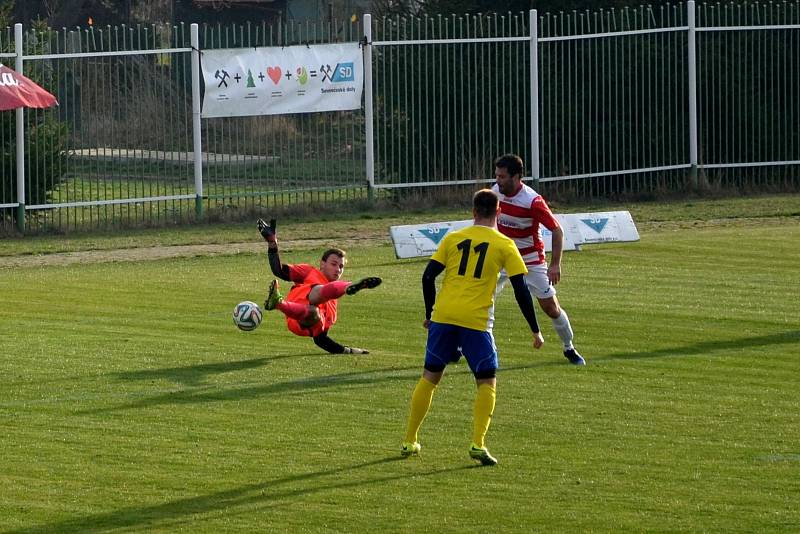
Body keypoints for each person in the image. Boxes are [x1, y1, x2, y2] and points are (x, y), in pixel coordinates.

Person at [400, 189, 544, 466]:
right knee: (486, 381)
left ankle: (410, 439)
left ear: (473, 212)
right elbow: (520, 290)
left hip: (444, 316)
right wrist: (534, 329)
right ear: (499, 213)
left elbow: (428, 276)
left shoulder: (453, 238)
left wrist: (430, 312)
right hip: (476, 321)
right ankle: (478, 443)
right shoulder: (505, 244)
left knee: (430, 376)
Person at [492, 154, 586, 365]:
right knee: (480, 299)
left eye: (502, 176)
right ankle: (465, 346)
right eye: (496, 176)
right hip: (502, 258)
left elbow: (557, 230)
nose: (498, 181)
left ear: (516, 177)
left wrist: (555, 264)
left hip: (530, 260)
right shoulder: (495, 191)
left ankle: (569, 347)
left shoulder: (533, 201)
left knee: (551, 308)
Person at [257, 218, 382, 354]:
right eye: (334, 264)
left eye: (341, 266)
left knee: (314, 311)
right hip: (297, 306)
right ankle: (349, 286)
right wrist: (272, 243)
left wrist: (349, 351)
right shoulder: (309, 271)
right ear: (322, 264)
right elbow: (279, 271)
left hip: (306, 322)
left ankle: (278, 303)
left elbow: (320, 340)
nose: (338, 269)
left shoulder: (332, 309)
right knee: (318, 291)